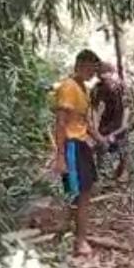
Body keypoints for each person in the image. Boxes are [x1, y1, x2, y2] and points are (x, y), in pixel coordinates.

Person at [51, 49, 106, 257]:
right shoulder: (68, 87)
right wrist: (60, 155)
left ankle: (65, 234)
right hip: (71, 145)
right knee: (78, 194)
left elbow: (85, 122)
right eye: (92, 68)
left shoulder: (83, 89)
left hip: (82, 145)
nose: (94, 73)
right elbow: (61, 122)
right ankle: (79, 241)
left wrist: (100, 140)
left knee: (84, 192)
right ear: (82, 65)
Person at [91, 62, 130, 182]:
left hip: (119, 118)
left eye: (107, 77)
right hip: (106, 121)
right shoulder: (97, 88)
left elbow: (127, 106)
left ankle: (124, 171)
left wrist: (124, 124)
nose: (106, 81)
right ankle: (100, 172)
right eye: (102, 77)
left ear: (112, 74)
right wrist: (95, 128)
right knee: (101, 147)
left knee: (122, 146)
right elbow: (95, 109)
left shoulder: (121, 86)